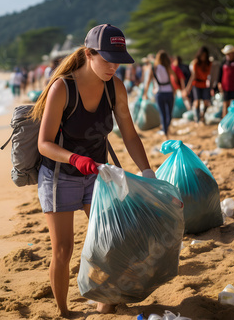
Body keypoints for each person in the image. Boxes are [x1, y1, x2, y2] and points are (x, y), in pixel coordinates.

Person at [30, 24, 155, 317]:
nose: (114, 67)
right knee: (63, 250)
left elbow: (129, 134)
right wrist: (75, 159)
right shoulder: (63, 87)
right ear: (89, 54)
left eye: (119, 60)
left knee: (111, 240)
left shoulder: (116, 87)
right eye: (108, 59)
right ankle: (64, 311)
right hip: (59, 176)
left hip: (97, 174)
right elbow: (44, 143)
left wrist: (147, 172)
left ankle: (104, 306)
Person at [141, 50, 175, 138]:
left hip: (159, 93)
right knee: (169, 113)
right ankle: (166, 128)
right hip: (169, 92)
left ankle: (165, 131)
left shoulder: (154, 68)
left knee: (162, 113)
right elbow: (174, 77)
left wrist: (145, 93)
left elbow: (148, 81)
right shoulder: (167, 67)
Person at [184, 46, 213, 123]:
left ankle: (202, 116)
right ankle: (197, 120)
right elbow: (193, 76)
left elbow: (211, 76)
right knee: (197, 102)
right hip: (196, 84)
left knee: (206, 102)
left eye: (204, 55)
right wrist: (187, 88)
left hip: (205, 84)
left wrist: (212, 87)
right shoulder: (196, 63)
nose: (203, 57)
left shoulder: (209, 63)